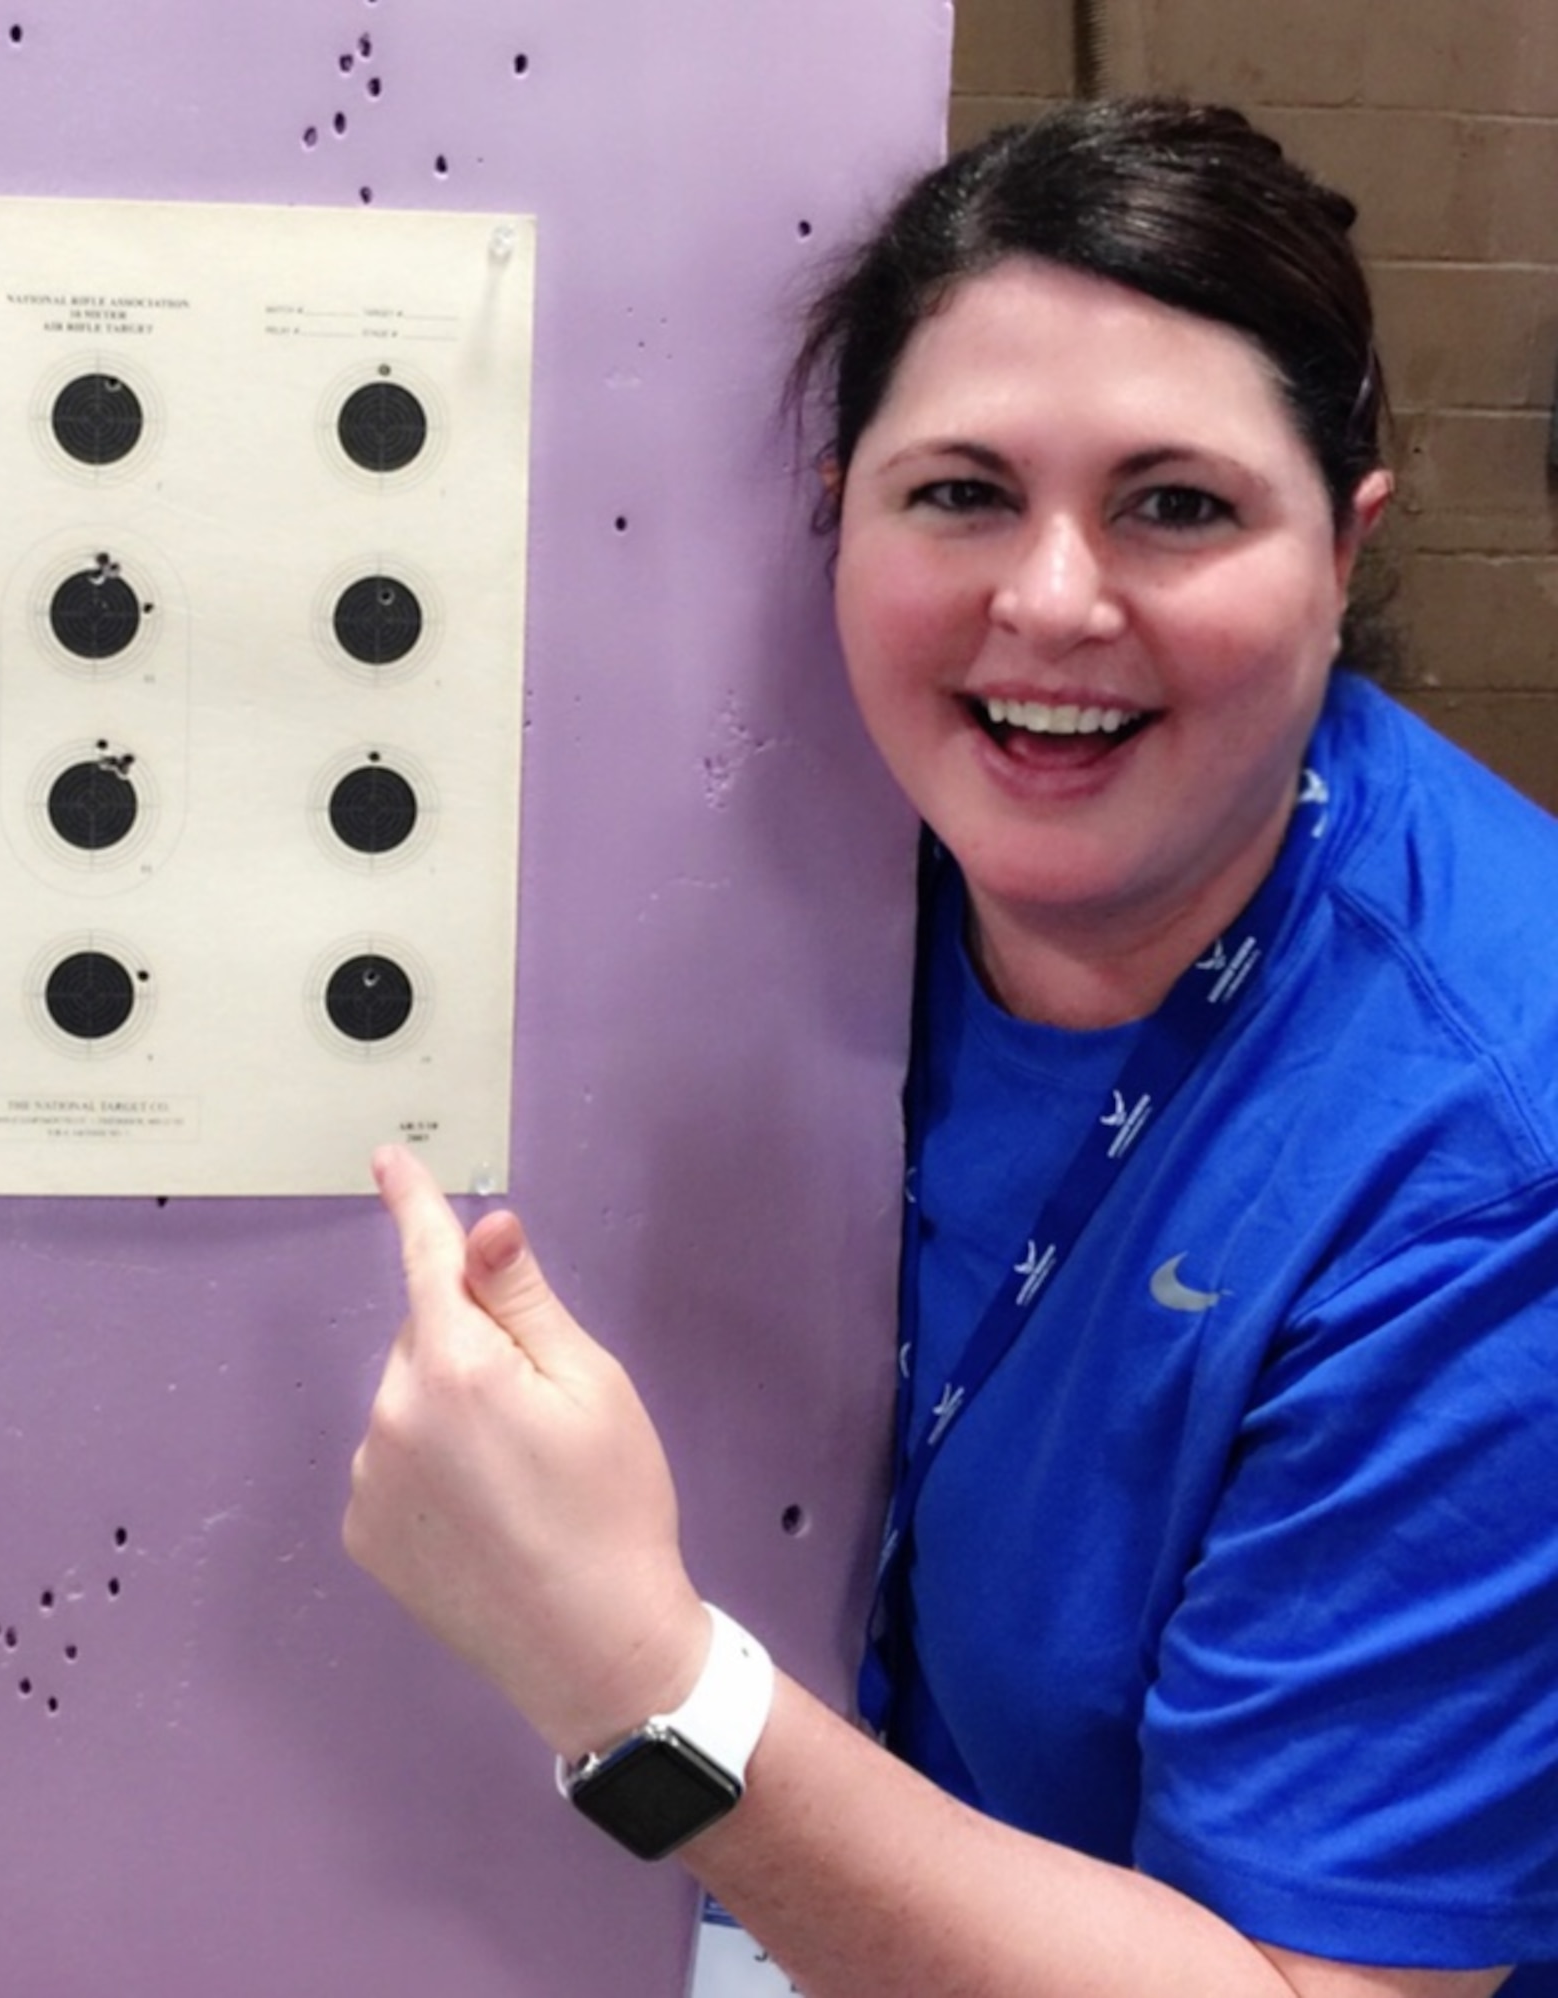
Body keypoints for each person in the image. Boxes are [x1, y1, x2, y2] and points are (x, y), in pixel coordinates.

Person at [344, 98, 1558, 1997]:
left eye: (1178, 503)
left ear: (1345, 543)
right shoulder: (849, 888)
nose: (1052, 600)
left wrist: (645, 1688)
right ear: (841, 516)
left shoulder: (1486, 1151)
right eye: (962, 491)